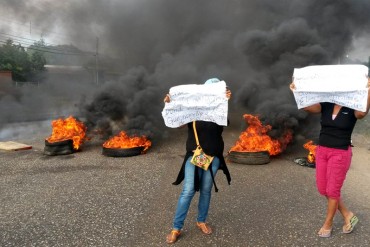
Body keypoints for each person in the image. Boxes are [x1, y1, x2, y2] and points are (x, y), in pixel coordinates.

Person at [290, 77, 370, 238]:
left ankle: (328, 224)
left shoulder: (353, 105)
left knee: (333, 191)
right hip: (322, 151)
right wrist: (296, 91)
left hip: (340, 153)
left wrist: (369, 90)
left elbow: (362, 113)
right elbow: (306, 107)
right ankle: (347, 214)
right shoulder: (327, 103)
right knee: (322, 189)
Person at [164, 78, 232, 244]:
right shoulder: (192, 111)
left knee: (206, 189)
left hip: (214, 156)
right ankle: (176, 228)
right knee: (188, 190)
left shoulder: (219, 111)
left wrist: (225, 100)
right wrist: (170, 103)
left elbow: (223, 121)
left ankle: (201, 220)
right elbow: (176, 122)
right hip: (195, 155)